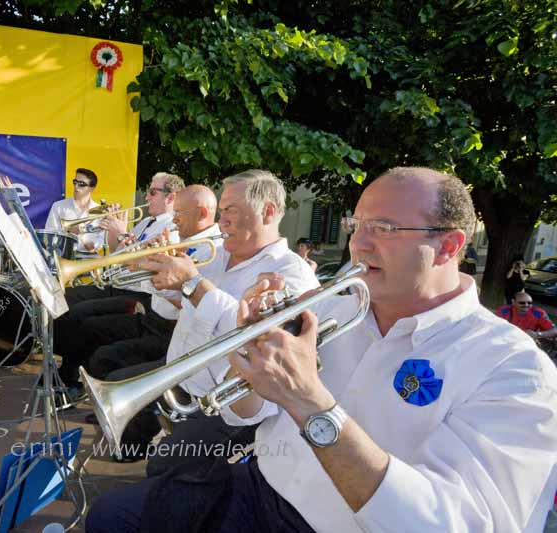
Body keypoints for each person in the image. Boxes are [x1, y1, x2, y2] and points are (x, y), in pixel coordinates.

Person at [87, 167, 557, 532]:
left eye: (385, 228)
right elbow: (246, 415)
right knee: (112, 516)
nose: (358, 243)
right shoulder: (336, 306)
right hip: (257, 491)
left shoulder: (513, 368)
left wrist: (310, 402)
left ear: (449, 246)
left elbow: (451, 522)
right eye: (358, 224)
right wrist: (249, 359)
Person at [97, 170, 319, 476]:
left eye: (230, 210)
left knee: (163, 469)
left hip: (229, 408)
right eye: (222, 210)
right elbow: (190, 308)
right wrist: (165, 279)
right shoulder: (216, 256)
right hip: (182, 377)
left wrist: (192, 284)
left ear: (267, 212)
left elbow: (256, 337)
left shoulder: (291, 274)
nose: (221, 219)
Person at [69, 185, 222, 383]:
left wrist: (152, 270)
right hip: (152, 317)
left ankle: (112, 403)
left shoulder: (210, 250)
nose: (174, 218)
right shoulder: (177, 236)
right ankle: (76, 380)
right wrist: (141, 256)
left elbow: (192, 303)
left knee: (104, 357)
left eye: (178, 213)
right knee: (88, 328)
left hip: (171, 331)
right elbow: (123, 257)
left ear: (202, 213)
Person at [53, 173, 184, 392]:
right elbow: (118, 254)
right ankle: (68, 369)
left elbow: (146, 264)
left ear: (170, 198)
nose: (147, 197)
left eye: (152, 192)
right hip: (119, 285)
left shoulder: (172, 227)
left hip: (140, 295)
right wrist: (115, 232)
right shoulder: (145, 221)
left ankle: (73, 376)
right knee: (64, 299)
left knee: (80, 314)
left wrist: (121, 232)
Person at [44, 167, 104, 251]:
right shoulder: (58, 206)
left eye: (81, 184)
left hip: (88, 260)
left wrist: (80, 235)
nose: (76, 186)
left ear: (92, 188)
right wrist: (68, 235)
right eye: (75, 182)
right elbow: (49, 239)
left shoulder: (100, 212)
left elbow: (93, 249)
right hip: (62, 256)